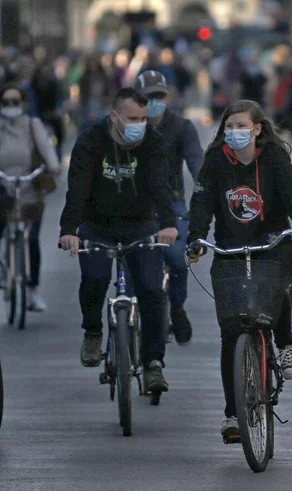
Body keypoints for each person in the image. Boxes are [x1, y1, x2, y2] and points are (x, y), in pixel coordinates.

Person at [185, 99, 292, 440]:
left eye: (242, 127)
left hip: (272, 245)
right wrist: (196, 239)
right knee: (231, 334)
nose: (234, 133)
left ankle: (285, 341)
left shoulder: (274, 158)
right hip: (229, 249)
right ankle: (232, 416)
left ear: (257, 129)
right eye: (229, 127)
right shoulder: (216, 161)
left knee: (278, 286)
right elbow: (201, 203)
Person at [58, 87, 178, 393]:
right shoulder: (90, 141)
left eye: (143, 117)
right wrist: (69, 230)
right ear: (114, 116)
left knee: (151, 289)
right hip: (97, 224)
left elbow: (160, 185)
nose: (139, 123)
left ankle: (153, 363)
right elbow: (78, 188)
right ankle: (93, 332)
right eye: (132, 118)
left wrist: (168, 224)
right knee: (95, 278)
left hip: (141, 224)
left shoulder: (152, 141)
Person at [135, 70, 203, 345]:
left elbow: (197, 164)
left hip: (172, 205)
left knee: (177, 257)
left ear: (167, 97)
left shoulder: (182, 127)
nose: (154, 101)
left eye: (158, 96)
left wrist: (204, 195)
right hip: (133, 205)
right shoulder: (126, 124)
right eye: (148, 97)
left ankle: (177, 307)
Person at [0, 83, 62, 311]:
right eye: (5, 102)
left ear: (24, 104)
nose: (11, 107)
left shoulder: (32, 124)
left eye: (15, 102)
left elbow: (46, 147)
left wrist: (54, 165)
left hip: (29, 185)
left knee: (32, 239)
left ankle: (32, 290)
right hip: (3, 186)